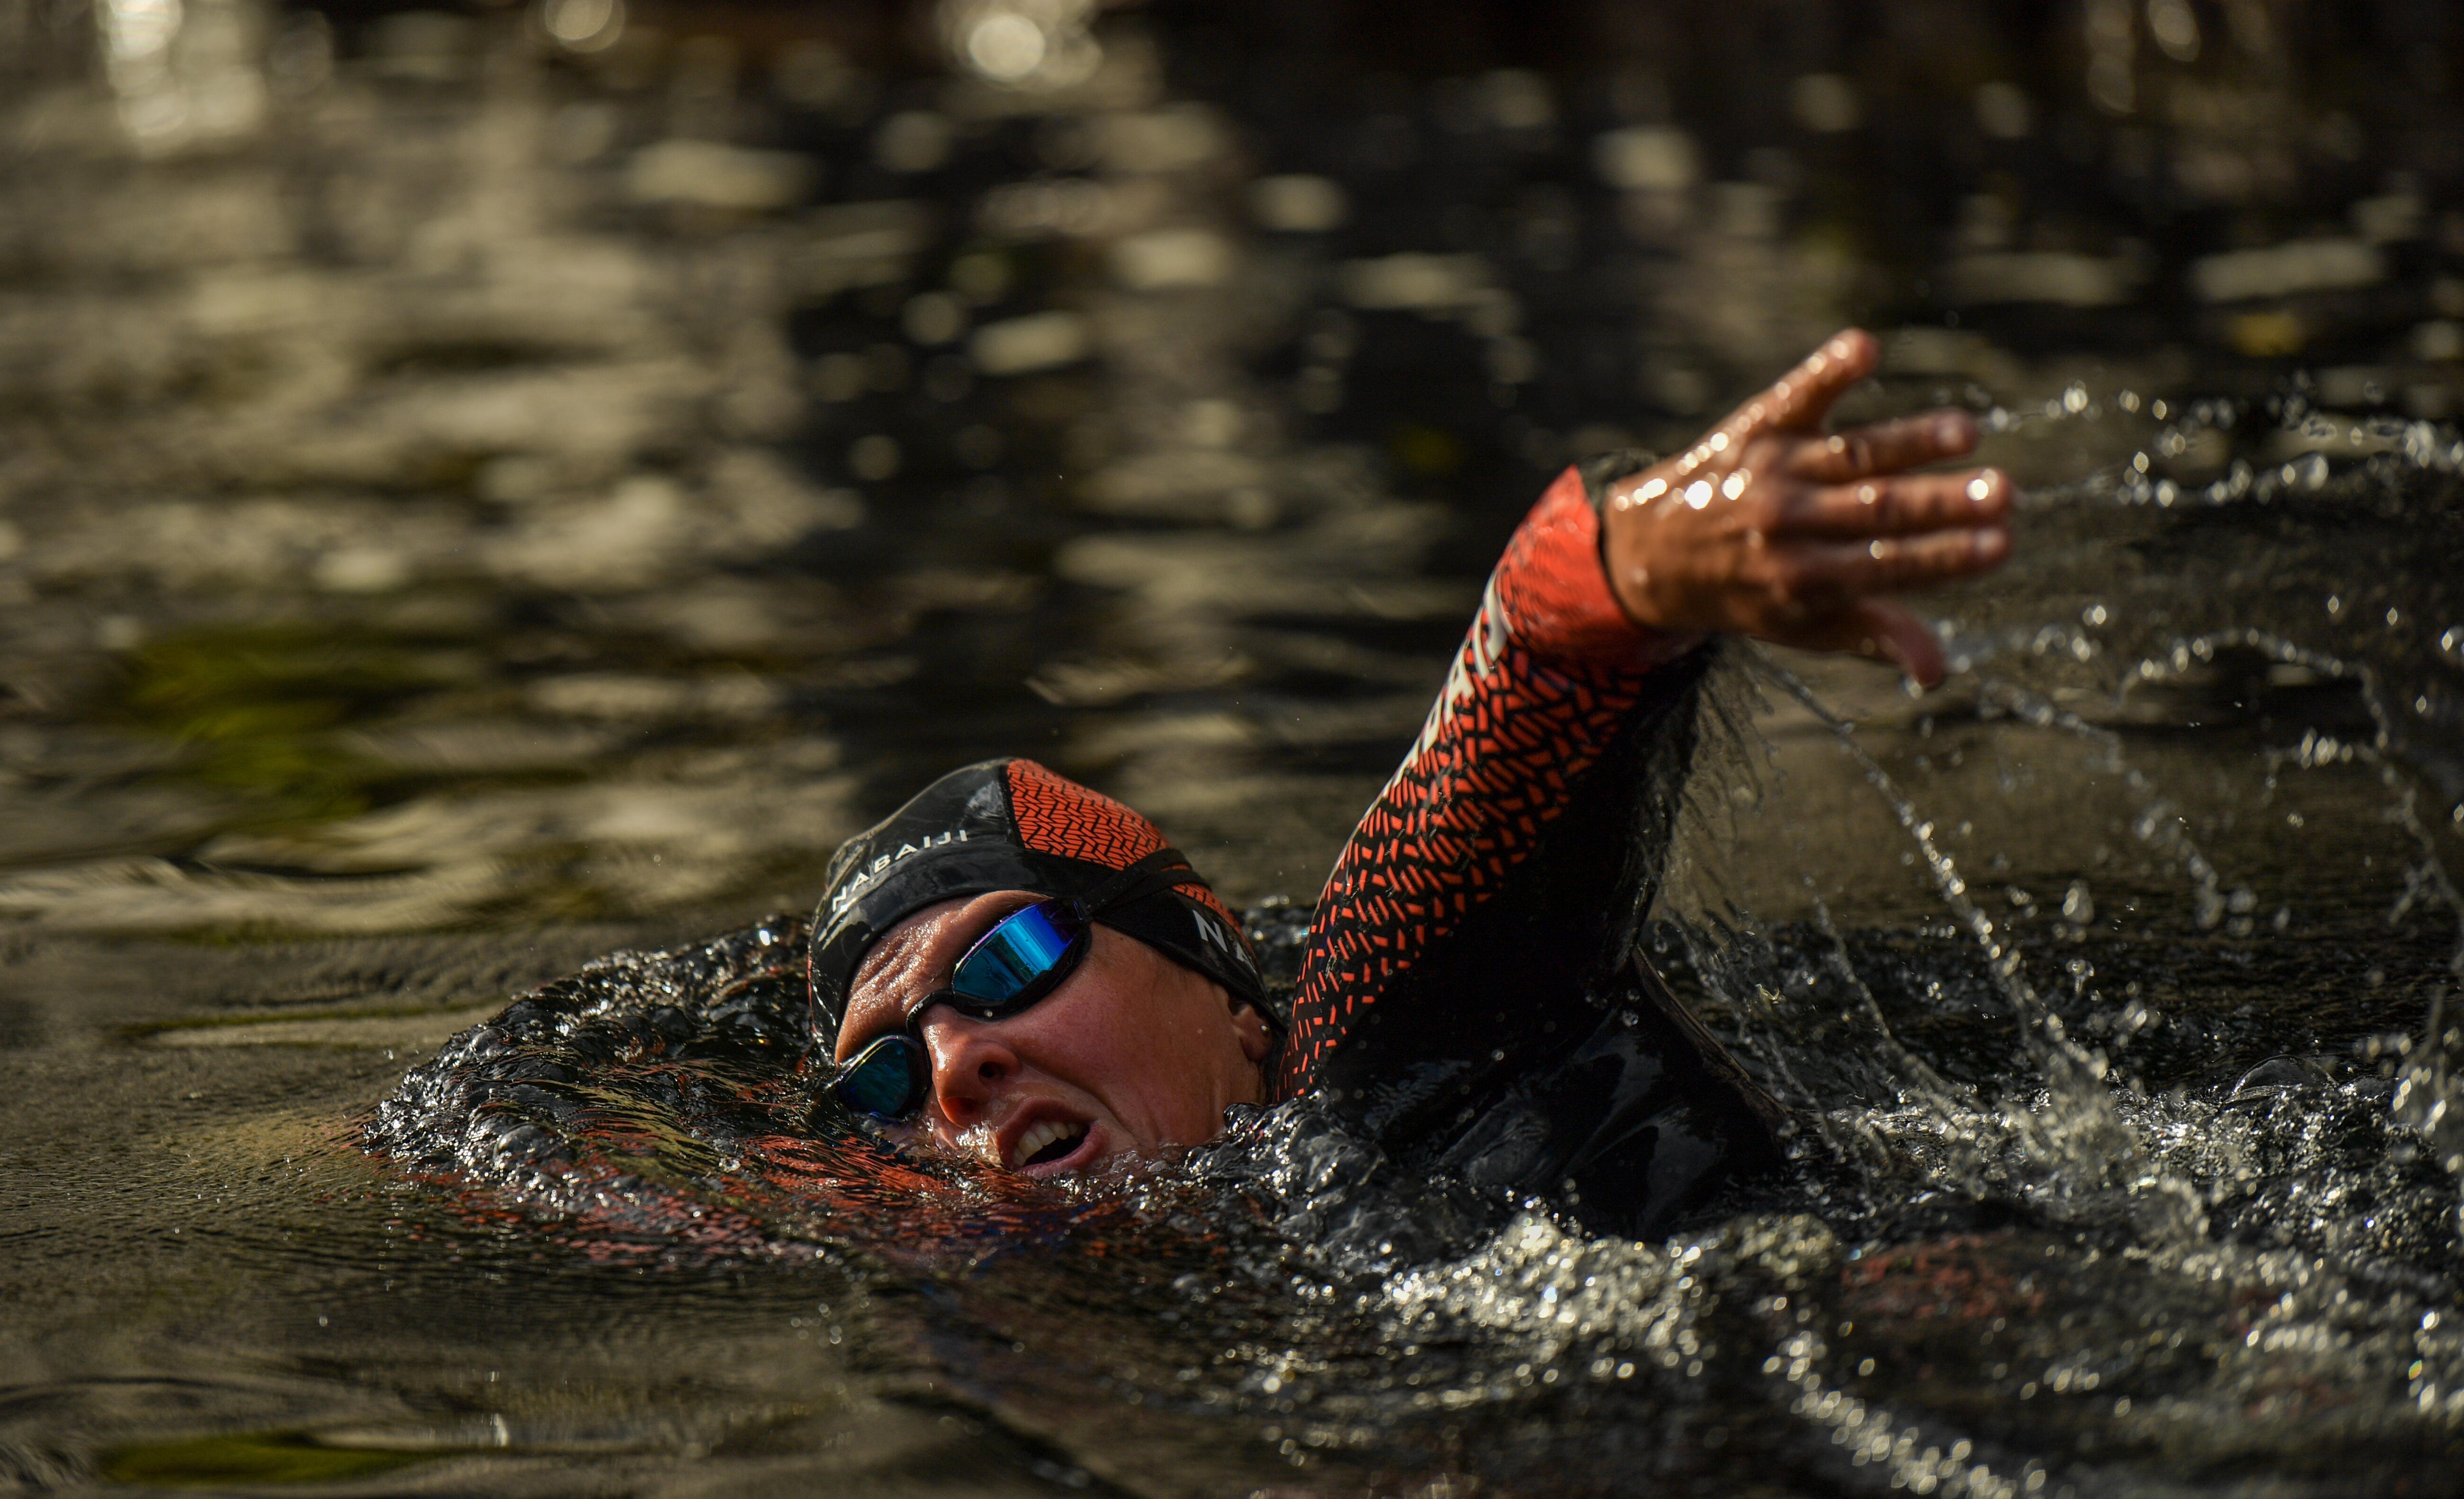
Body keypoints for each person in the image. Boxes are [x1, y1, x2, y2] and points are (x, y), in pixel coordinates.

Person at [805, 330, 2014, 1234]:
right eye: (886, 1075)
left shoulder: (1376, 1035)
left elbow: (1474, 780)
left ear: (1231, 995)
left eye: (1009, 958)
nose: (958, 1062)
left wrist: (1636, 566)